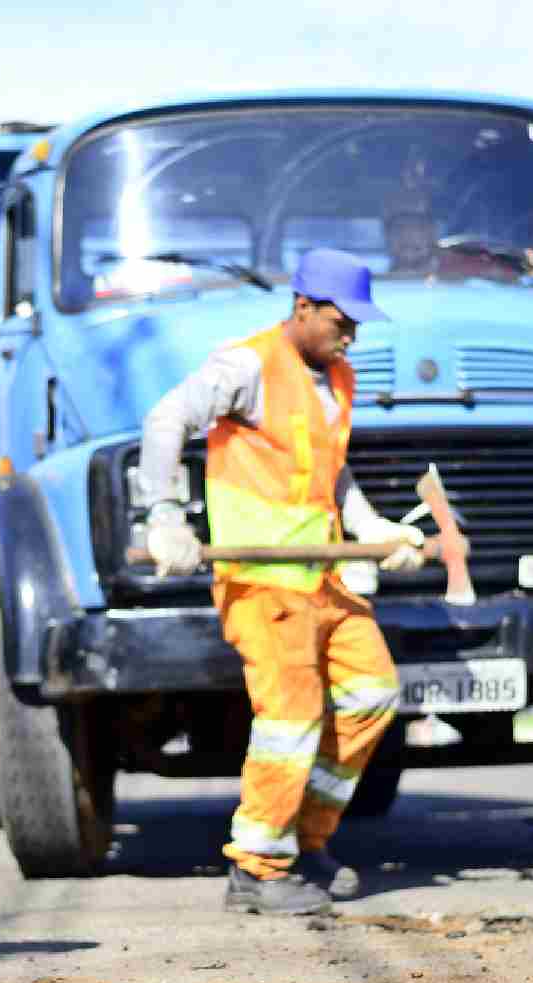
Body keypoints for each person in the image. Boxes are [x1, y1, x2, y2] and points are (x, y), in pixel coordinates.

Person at [139, 248, 425, 915]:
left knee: (373, 693)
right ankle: (258, 867)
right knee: (290, 720)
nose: (350, 334)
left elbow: (330, 474)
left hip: (323, 574)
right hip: (262, 579)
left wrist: (378, 531)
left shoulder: (339, 377)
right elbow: (166, 418)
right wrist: (164, 517)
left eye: (357, 323)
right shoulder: (247, 365)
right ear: (303, 308)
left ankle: (304, 840)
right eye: (341, 320)